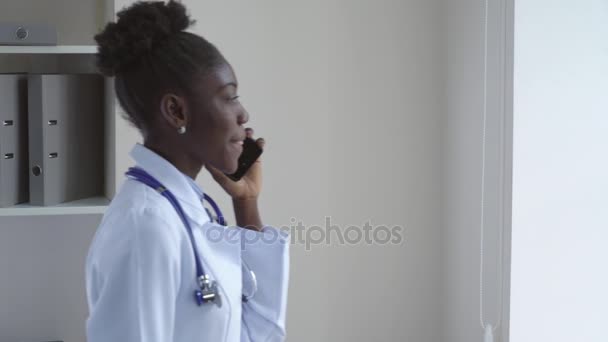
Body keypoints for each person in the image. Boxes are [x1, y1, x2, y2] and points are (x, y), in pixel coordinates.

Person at [85, 1, 289, 341]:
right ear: (176, 112)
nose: (243, 115)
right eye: (229, 97)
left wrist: (247, 203)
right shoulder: (146, 227)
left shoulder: (184, 209)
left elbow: (257, 333)